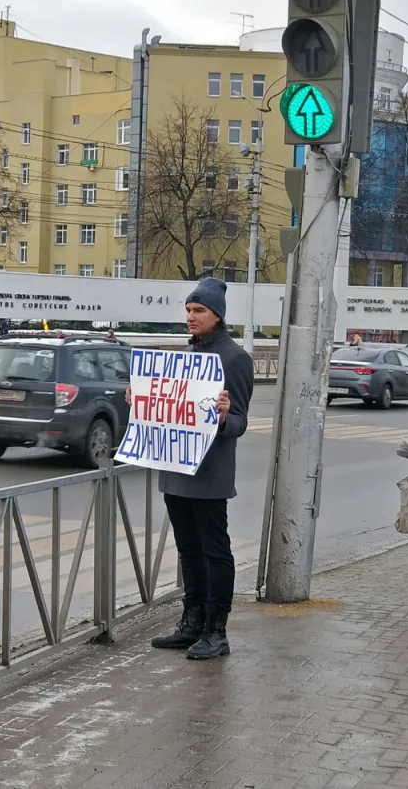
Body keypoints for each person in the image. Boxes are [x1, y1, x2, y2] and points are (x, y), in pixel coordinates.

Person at [143, 278, 253, 660]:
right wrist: (141, 400)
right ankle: (191, 623)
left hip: (209, 474)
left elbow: (239, 422)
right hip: (176, 468)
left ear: (217, 315)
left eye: (199, 310)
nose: (191, 317)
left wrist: (223, 418)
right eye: (188, 310)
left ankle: (216, 631)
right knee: (188, 549)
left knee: (214, 550)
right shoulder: (185, 356)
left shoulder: (235, 359)